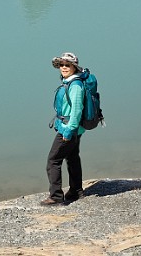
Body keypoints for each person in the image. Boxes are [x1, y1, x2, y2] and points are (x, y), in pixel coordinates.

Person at [41, 51, 85, 206]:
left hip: (69, 128)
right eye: (62, 65)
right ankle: (76, 191)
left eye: (68, 65)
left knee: (53, 160)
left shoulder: (75, 86)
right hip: (72, 128)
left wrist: (68, 130)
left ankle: (56, 196)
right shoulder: (69, 82)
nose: (64, 67)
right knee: (72, 157)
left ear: (74, 67)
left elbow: (77, 110)